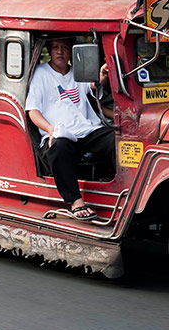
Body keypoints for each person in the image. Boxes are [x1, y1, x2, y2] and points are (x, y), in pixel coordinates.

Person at [25, 37, 113, 221]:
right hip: (61, 133)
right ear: (49, 49)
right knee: (58, 147)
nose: (60, 52)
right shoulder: (40, 74)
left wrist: (102, 77)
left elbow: (92, 86)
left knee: (116, 140)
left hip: (86, 130)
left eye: (64, 48)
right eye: (56, 47)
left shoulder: (77, 72)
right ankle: (75, 202)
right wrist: (50, 130)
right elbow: (33, 111)